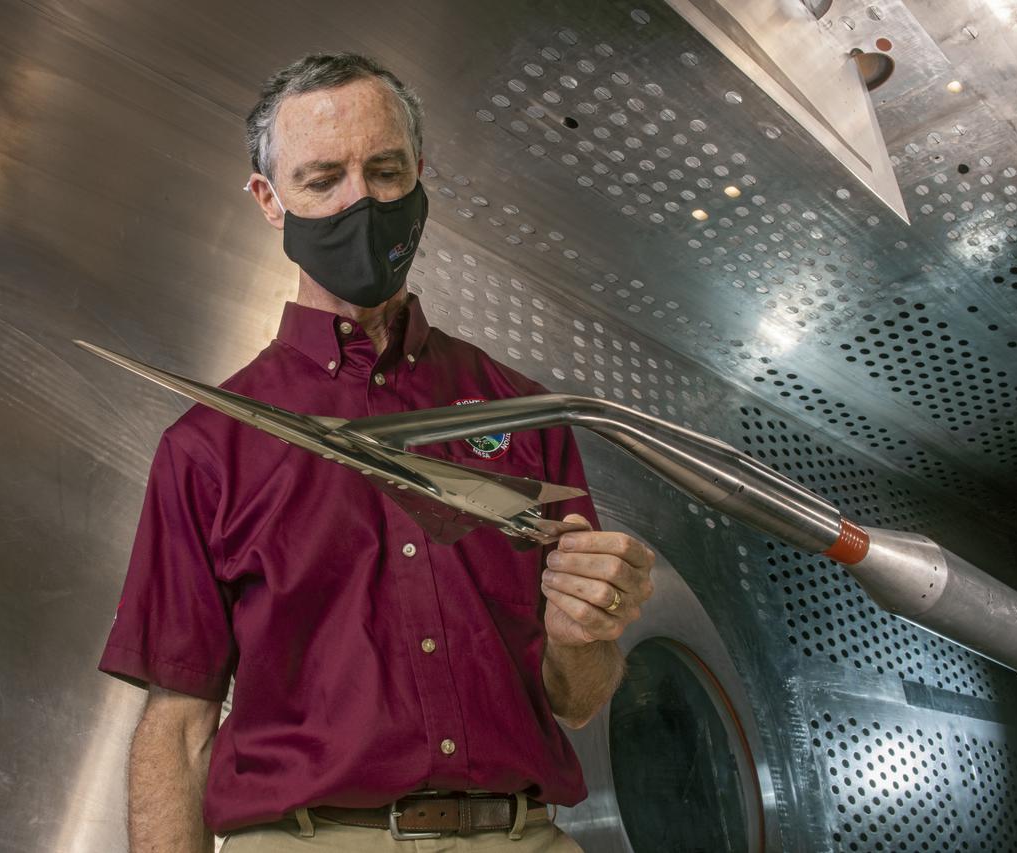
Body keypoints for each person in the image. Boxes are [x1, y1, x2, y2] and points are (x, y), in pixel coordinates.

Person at [99, 52, 656, 852]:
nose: (360, 202)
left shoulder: (525, 412)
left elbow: (577, 697)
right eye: (323, 179)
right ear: (269, 199)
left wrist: (586, 634)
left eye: (386, 171)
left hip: (522, 835)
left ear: (420, 174)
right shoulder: (210, 446)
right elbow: (180, 727)